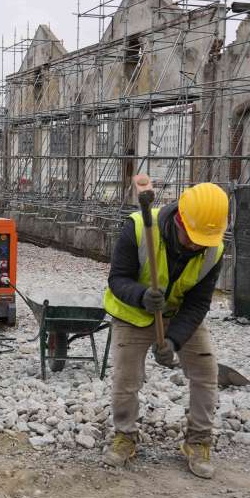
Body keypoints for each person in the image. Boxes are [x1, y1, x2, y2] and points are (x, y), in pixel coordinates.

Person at [101, 181, 229, 479]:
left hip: (179, 312)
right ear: (180, 219)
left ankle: (198, 441)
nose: (197, 245)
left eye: (203, 241)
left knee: (206, 371)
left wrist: (174, 340)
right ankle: (126, 436)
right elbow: (117, 279)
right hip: (133, 313)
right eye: (192, 237)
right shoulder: (137, 228)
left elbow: (198, 303)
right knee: (126, 378)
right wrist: (142, 296)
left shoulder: (214, 249)